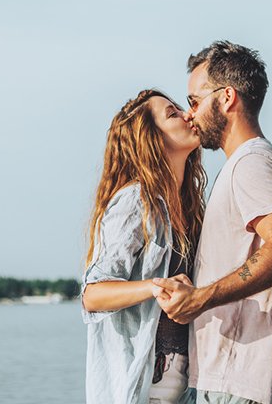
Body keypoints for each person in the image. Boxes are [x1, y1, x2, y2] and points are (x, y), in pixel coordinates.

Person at [154, 41, 272, 404]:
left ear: (226, 98)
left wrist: (200, 298)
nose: (189, 114)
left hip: (237, 384)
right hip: (229, 381)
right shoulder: (245, 163)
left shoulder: (251, 163)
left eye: (194, 101)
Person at [81, 89, 206, 404]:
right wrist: (154, 287)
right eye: (173, 113)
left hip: (188, 387)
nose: (188, 114)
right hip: (141, 388)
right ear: (152, 139)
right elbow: (93, 295)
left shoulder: (191, 208)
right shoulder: (135, 202)